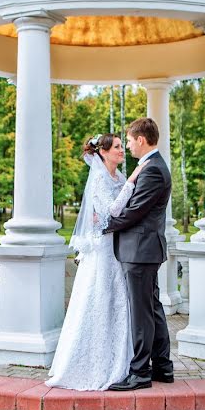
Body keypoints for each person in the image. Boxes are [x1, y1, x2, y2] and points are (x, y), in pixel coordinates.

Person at [45, 133, 144, 390]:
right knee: (99, 299)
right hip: (103, 249)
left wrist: (127, 184)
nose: (122, 151)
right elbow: (112, 210)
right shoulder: (101, 178)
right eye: (118, 147)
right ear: (104, 152)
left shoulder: (119, 177)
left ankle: (120, 361)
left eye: (123, 146)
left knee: (117, 302)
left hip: (118, 244)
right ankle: (91, 364)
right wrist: (132, 183)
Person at [104, 117, 174, 391]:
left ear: (141, 140)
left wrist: (104, 226)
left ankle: (140, 373)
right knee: (152, 308)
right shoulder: (150, 167)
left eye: (130, 140)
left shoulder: (153, 170)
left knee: (142, 312)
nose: (129, 145)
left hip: (140, 250)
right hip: (143, 250)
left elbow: (134, 211)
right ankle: (163, 366)